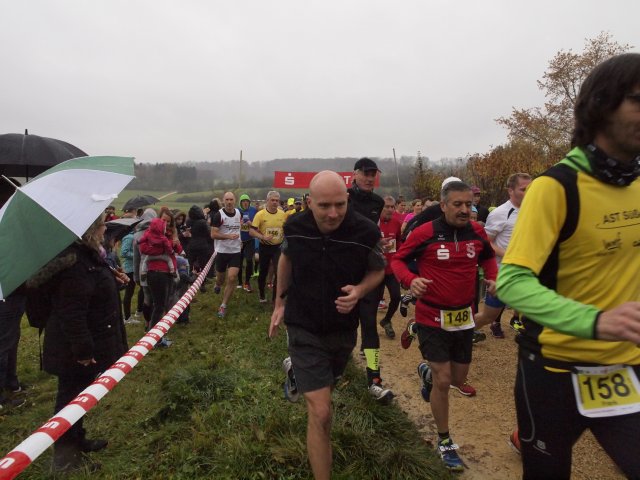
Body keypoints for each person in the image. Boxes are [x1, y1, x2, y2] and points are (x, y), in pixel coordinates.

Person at [496, 53, 640, 479]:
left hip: (626, 366)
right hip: (554, 370)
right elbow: (512, 282)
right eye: (638, 100)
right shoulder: (555, 187)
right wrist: (595, 321)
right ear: (601, 106)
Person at [268, 171, 385, 480]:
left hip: (341, 328)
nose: (333, 214)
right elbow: (286, 259)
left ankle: (297, 373)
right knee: (321, 412)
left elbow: (378, 270)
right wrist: (279, 303)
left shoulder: (366, 231)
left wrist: (359, 291)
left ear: (347, 200)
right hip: (303, 323)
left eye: (340, 205)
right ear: (310, 202)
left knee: (325, 398)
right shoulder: (295, 227)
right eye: (324, 206)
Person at [392, 181, 498, 472]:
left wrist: (492, 278)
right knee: (443, 380)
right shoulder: (425, 233)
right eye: (458, 204)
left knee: (457, 380)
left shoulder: (477, 232)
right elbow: (398, 260)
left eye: (469, 205)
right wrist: (410, 280)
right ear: (443, 205)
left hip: (464, 317)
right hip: (431, 316)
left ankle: (426, 373)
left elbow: (488, 258)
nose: (465, 210)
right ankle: (445, 441)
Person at [26, 214, 129, 472]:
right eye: (102, 224)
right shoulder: (74, 263)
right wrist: (83, 350)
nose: (106, 229)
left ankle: (77, 439)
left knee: (79, 396)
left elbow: (91, 291)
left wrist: (113, 280)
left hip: (82, 341)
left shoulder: (87, 256)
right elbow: (72, 312)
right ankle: (64, 459)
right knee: (69, 399)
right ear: (91, 229)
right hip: (72, 348)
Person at [348, 157, 393, 402]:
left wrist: (378, 241)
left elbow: (373, 230)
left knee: (369, 324)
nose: (369, 178)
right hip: (344, 270)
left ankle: (374, 379)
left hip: (369, 270)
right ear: (355, 174)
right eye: (365, 173)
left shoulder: (377, 202)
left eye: (373, 174)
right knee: (343, 323)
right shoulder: (344, 198)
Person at [476, 173, 531, 339]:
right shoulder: (500, 213)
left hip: (527, 272)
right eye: (523, 189)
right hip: (503, 273)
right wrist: (509, 255)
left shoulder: (534, 209)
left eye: (531, 188)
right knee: (488, 316)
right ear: (510, 190)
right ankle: (461, 333)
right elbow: (486, 242)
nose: (528, 192)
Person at [0, 177, 28, 411]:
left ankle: (11, 381)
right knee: (3, 342)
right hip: (7, 292)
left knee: (12, 339)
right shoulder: (5, 225)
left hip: (16, 291)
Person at [250, 190, 287, 303]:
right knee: (263, 271)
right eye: (272, 200)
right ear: (267, 201)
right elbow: (251, 231)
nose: (275, 202)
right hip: (264, 247)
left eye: (277, 200)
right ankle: (262, 295)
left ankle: (275, 299)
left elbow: (286, 229)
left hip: (278, 247)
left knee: (278, 273)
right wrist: (262, 237)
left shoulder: (282, 214)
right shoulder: (260, 215)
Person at [210, 192, 242, 318]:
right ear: (223, 201)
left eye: (231, 200)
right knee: (221, 279)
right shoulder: (219, 215)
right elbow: (213, 234)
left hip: (235, 251)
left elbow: (239, 228)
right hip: (222, 251)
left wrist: (240, 240)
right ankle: (217, 285)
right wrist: (228, 236)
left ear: (235, 200)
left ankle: (223, 305)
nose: (229, 202)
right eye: (227, 200)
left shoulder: (239, 213)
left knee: (232, 278)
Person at [378, 195, 403, 339]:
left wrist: (399, 256)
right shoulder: (374, 223)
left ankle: (386, 320)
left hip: (391, 268)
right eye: (386, 206)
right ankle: (368, 329)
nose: (390, 209)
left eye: (392, 207)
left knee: (396, 297)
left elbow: (398, 241)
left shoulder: (396, 223)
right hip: (376, 270)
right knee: (373, 301)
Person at [238, 194, 258, 292]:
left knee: (249, 260)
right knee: (239, 261)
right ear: (240, 203)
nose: (245, 203)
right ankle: (239, 282)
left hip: (250, 239)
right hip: (239, 240)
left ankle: (247, 282)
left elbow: (257, 225)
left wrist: (250, 223)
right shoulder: (237, 211)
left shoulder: (253, 210)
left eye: (247, 201)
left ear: (249, 202)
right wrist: (240, 224)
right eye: (243, 201)